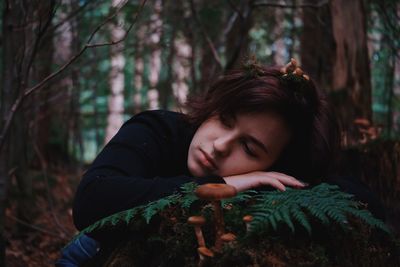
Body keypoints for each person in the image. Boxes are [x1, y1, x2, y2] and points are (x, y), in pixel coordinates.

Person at [55, 58, 380, 266]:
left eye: (249, 148)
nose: (220, 145)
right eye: (224, 119)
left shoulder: (280, 178)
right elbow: (91, 200)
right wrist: (219, 187)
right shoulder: (157, 130)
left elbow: (358, 202)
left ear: (277, 166)